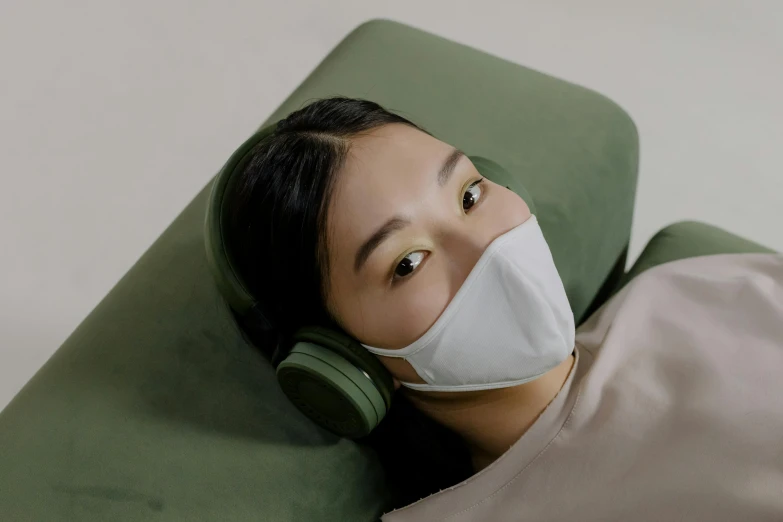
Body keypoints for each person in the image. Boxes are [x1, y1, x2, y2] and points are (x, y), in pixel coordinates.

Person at [225, 97, 783, 521]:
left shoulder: (693, 291)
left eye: (469, 195)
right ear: (343, 358)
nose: (484, 248)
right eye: (407, 263)